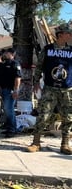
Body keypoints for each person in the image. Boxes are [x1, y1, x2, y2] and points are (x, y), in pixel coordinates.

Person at [26, 23, 72, 155]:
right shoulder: (47, 49)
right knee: (43, 115)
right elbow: (39, 66)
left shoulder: (71, 50)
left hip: (67, 89)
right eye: (68, 33)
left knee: (68, 117)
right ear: (61, 34)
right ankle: (36, 142)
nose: (70, 35)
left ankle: (65, 144)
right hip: (50, 88)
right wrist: (36, 82)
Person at [0, 48, 22, 138]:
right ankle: (10, 127)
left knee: (10, 110)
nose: (6, 54)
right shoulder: (5, 64)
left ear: (13, 54)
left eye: (8, 53)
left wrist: (16, 90)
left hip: (11, 90)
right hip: (4, 89)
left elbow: (18, 78)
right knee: (7, 109)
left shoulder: (15, 64)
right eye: (5, 53)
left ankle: (12, 129)